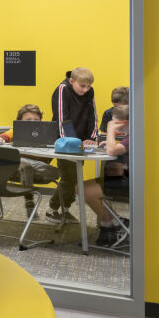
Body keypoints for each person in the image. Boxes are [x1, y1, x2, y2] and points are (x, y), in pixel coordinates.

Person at [0, 103, 61, 217]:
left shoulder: (46, 133)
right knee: (25, 166)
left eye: (36, 120)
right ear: (19, 122)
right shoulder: (16, 131)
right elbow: (3, 136)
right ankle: (29, 201)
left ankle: (55, 208)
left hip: (39, 167)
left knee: (57, 172)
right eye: (28, 119)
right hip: (18, 166)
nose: (33, 122)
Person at [49, 67, 98, 216]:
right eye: (82, 86)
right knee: (68, 177)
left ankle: (64, 210)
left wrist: (91, 137)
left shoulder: (90, 92)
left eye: (88, 86)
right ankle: (52, 209)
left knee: (75, 178)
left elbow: (92, 115)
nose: (86, 89)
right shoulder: (63, 89)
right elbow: (62, 117)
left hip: (81, 141)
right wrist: (69, 141)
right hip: (64, 142)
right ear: (72, 81)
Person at [82, 106, 130, 247]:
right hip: (128, 178)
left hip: (134, 183)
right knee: (81, 187)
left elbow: (112, 150)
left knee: (84, 189)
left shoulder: (134, 134)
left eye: (114, 123)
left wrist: (110, 130)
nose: (115, 128)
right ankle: (115, 223)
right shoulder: (129, 136)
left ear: (123, 123)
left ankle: (114, 225)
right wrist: (108, 142)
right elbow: (116, 147)